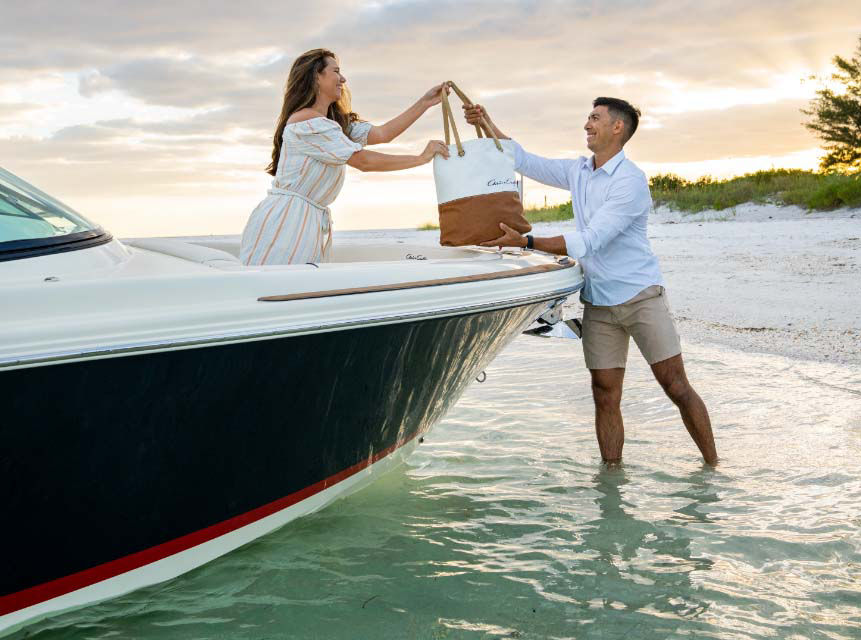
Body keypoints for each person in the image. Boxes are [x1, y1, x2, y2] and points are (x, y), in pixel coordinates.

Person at [463, 98, 718, 465]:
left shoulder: (630, 181)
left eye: (595, 118)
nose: (587, 123)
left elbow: (591, 240)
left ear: (617, 127)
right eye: (588, 117)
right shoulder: (578, 170)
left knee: (675, 386)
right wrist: (485, 122)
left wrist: (526, 242)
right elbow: (521, 158)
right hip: (598, 301)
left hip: (640, 297)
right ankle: (611, 481)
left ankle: (713, 467)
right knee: (604, 393)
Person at [241, 49, 449, 265]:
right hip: (286, 222)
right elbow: (363, 161)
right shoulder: (307, 123)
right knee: (279, 291)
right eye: (336, 71)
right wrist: (420, 158)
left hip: (305, 220)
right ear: (316, 77)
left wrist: (425, 102)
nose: (343, 79)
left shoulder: (333, 124)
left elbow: (383, 133)